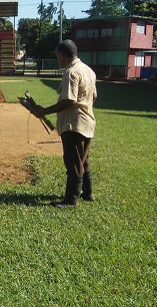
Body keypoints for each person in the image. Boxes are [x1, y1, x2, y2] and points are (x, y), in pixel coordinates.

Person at [32, 39, 97, 208]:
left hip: (73, 124)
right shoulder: (88, 70)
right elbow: (94, 96)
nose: (58, 59)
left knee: (73, 161)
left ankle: (71, 200)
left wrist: (44, 111)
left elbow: (69, 100)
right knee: (83, 159)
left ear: (62, 55)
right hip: (87, 122)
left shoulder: (71, 72)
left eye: (57, 56)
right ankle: (87, 193)